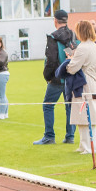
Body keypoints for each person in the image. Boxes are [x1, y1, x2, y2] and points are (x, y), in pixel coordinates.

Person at [33, 9, 76, 145]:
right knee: (69, 106)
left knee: (48, 105)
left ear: (55, 21)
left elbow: (51, 59)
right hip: (71, 76)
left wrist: (48, 76)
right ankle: (70, 136)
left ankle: (49, 136)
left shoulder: (53, 37)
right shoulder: (73, 35)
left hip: (58, 77)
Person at [67, 21, 96, 154]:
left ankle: (90, 147)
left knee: (86, 114)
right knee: (83, 114)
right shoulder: (92, 45)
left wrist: (69, 61)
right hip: (92, 80)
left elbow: (73, 68)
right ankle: (84, 145)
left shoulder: (83, 47)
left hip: (84, 82)